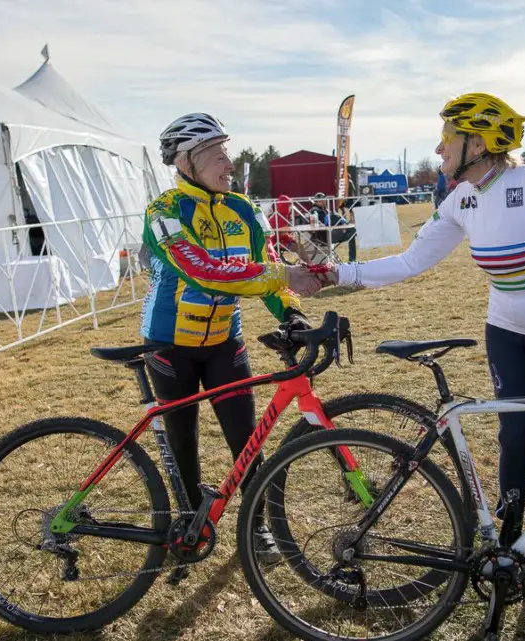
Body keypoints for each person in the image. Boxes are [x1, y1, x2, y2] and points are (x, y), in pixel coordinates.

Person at [302, 93, 525, 595]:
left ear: (477, 142)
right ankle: (510, 541)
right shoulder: (461, 199)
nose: (438, 148)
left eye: (447, 139)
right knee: (513, 438)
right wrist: (333, 273)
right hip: (507, 331)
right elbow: (411, 261)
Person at [142, 112, 322, 564]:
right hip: (170, 344)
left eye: (227, 151)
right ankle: (189, 522)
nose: (229, 162)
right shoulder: (163, 211)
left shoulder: (243, 209)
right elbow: (202, 271)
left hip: (225, 340)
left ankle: (255, 528)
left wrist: (291, 313)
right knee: (183, 442)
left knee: (247, 440)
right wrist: (281, 273)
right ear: (186, 161)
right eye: (217, 154)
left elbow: (262, 268)